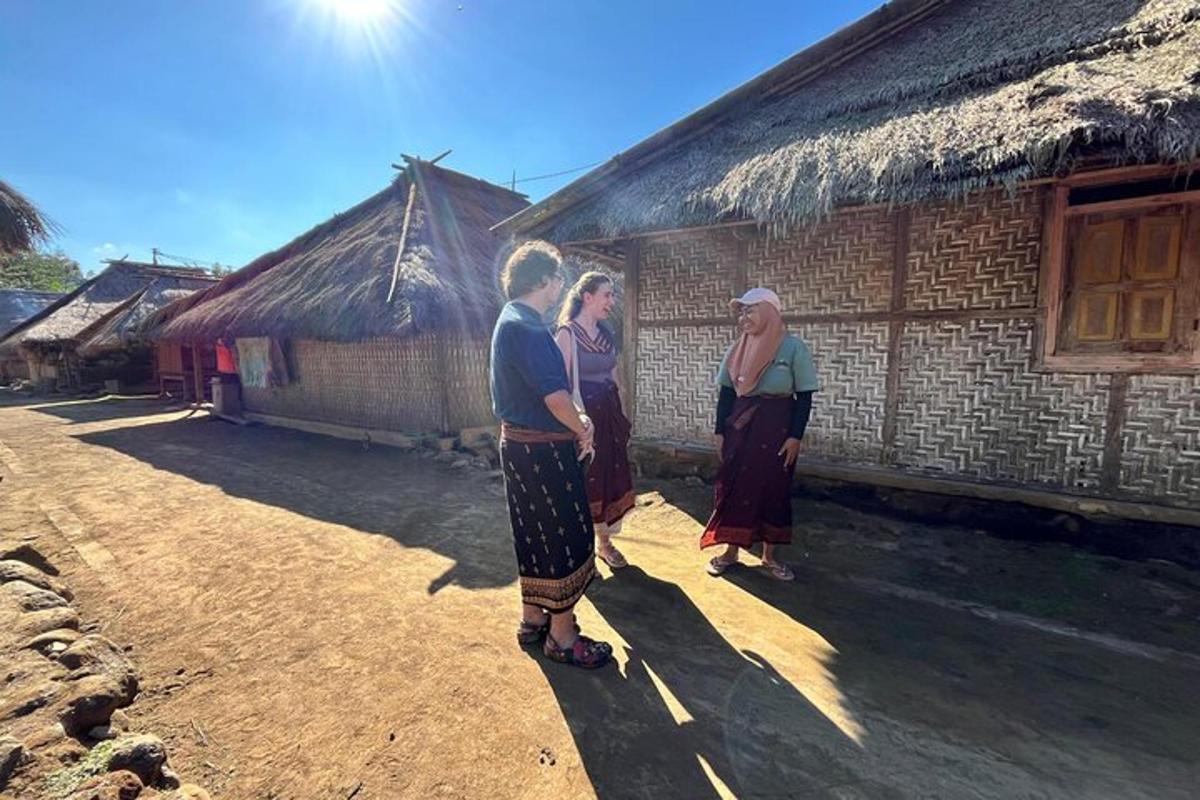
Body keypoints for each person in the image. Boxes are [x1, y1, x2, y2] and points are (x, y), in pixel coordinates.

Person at [490, 241, 612, 669]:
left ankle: (533, 618)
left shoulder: (510, 320)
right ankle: (562, 636)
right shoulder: (528, 327)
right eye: (558, 277)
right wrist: (584, 428)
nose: (561, 284)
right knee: (564, 535)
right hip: (543, 453)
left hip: (519, 446)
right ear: (543, 279)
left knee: (533, 531)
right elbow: (556, 398)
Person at [702, 288, 818, 582]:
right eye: (741, 312)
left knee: (773, 487)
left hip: (777, 428)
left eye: (750, 310)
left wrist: (795, 436)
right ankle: (730, 552)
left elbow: (804, 397)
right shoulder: (736, 349)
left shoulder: (793, 348)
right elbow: (726, 394)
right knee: (735, 485)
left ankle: (769, 556)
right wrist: (719, 431)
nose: (744, 317)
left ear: (769, 312)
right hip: (740, 426)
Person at [555, 271, 635, 570]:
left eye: (612, 295)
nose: (611, 302)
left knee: (609, 478)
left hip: (609, 415)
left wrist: (621, 414)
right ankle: (581, 549)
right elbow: (561, 385)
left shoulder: (606, 334)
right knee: (584, 480)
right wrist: (575, 425)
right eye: (606, 295)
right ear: (587, 297)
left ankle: (604, 544)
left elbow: (615, 377)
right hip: (583, 418)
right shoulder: (566, 334)